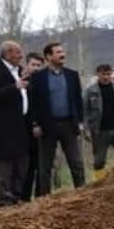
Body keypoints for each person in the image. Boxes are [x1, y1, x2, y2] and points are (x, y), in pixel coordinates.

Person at [27, 41, 86, 196]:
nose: (62, 54)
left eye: (62, 51)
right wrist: (35, 124)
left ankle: (82, 193)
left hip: (68, 124)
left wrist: (80, 121)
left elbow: (78, 100)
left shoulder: (72, 75)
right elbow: (33, 103)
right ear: (48, 56)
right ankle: (44, 198)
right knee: (45, 165)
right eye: (58, 52)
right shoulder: (38, 77)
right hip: (47, 126)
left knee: (76, 162)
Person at [0, 41, 31, 206]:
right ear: (8, 54)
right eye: (18, 53)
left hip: (20, 126)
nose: (21, 56)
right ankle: (5, 200)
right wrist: (14, 87)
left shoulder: (19, 71)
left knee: (22, 163)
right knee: (5, 165)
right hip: (3, 129)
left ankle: (17, 196)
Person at [84, 63, 114, 181]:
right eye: (103, 74)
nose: (106, 77)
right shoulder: (90, 91)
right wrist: (86, 130)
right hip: (99, 131)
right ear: (97, 75)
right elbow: (84, 111)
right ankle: (100, 182)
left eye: (108, 74)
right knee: (99, 160)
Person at [20, 52, 45, 202]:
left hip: (42, 132)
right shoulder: (22, 83)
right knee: (27, 168)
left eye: (38, 65)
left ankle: (41, 197)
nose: (36, 68)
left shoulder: (44, 83)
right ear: (27, 65)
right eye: (33, 65)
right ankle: (24, 198)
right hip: (24, 132)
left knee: (42, 167)